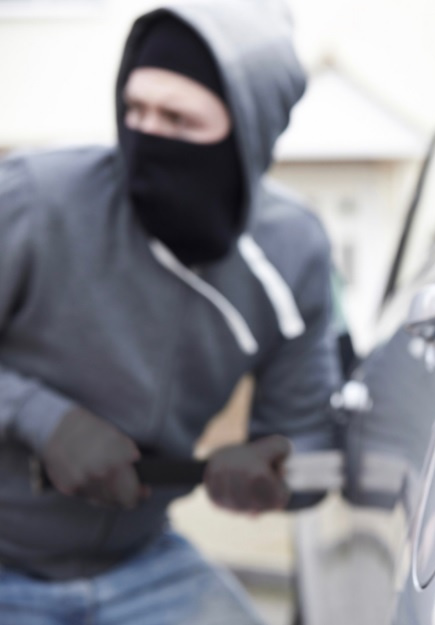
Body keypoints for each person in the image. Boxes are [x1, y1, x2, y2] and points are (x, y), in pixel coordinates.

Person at [0, 1, 340, 623]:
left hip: (142, 565)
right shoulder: (33, 200)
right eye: (135, 109)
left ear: (248, 130)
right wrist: (43, 419)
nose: (146, 134)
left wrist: (274, 470)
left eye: (178, 119)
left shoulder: (292, 252)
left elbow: (309, 438)